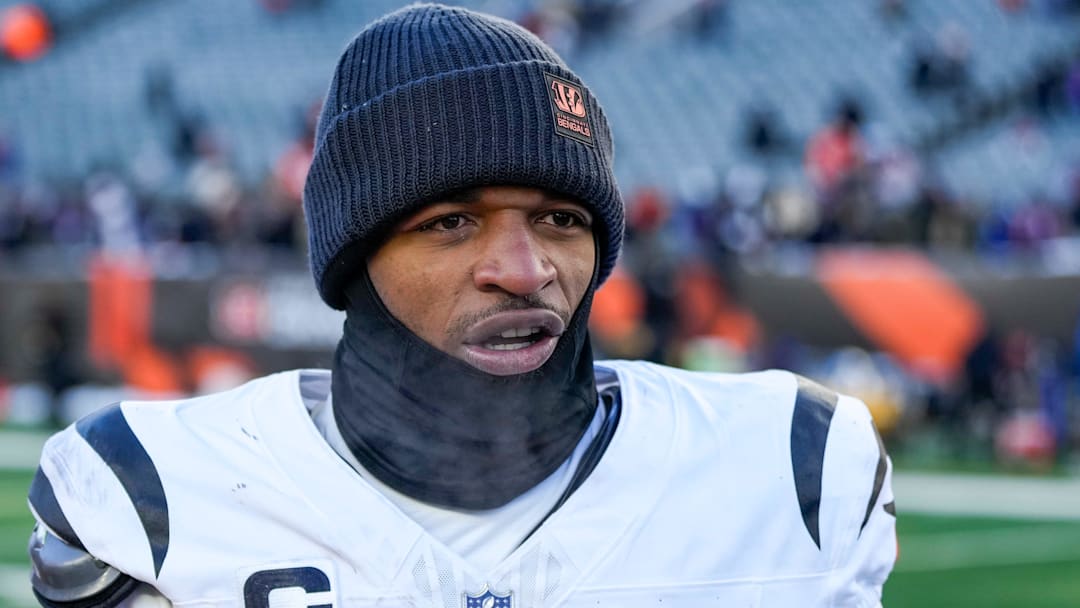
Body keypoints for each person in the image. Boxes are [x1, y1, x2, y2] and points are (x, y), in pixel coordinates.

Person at [26, 4, 897, 607]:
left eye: (560, 218)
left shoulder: (792, 469)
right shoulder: (148, 496)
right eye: (450, 223)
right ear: (356, 255)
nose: (523, 269)